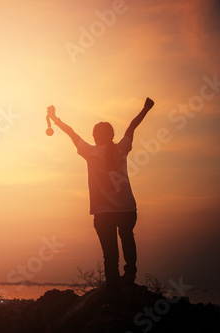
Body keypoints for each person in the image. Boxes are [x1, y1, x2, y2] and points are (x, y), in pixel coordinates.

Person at [47, 97, 155, 307]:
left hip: (102, 214)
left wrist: (54, 119)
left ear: (95, 137)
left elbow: (72, 133)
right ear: (112, 135)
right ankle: (130, 273)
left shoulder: (90, 152)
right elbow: (132, 126)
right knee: (127, 236)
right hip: (126, 209)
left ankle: (114, 297)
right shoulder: (122, 148)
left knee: (110, 256)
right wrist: (146, 108)